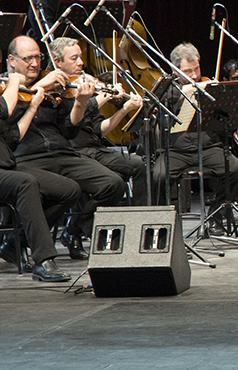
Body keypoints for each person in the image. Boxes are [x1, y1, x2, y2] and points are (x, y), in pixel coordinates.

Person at [7, 36, 126, 260]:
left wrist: (80, 103)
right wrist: (39, 87)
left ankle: (74, 230)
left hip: (62, 153)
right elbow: (8, 122)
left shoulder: (56, 86)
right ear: (12, 60)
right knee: (67, 190)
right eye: (28, 58)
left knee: (112, 183)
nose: (34, 63)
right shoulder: (7, 87)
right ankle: (17, 241)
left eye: (38, 57)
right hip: (25, 157)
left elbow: (69, 130)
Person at [153, 43, 238, 234]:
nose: (194, 76)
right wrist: (187, 94)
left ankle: (216, 214)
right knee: (159, 176)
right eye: (188, 71)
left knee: (236, 170)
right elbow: (162, 114)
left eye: (197, 69)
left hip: (209, 147)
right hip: (176, 150)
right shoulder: (166, 90)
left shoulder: (207, 85)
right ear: (175, 70)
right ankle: (164, 224)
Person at [49, 38, 149, 205]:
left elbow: (99, 130)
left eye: (80, 57)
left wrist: (125, 109)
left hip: (95, 149)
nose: (81, 63)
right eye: (74, 59)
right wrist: (101, 98)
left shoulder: (84, 83)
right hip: (74, 152)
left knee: (139, 164)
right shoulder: (53, 90)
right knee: (114, 181)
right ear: (57, 62)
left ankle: (139, 218)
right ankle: (81, 223)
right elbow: (71, 122)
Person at [0, 72, 78, 281]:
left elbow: (13, 136)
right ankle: (43, 260)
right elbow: (3, 110)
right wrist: (15, 82)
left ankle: (16, 242)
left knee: (68, 189)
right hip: (6, 173)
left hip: (6, 167)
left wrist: (33, 106)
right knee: (26, 183)